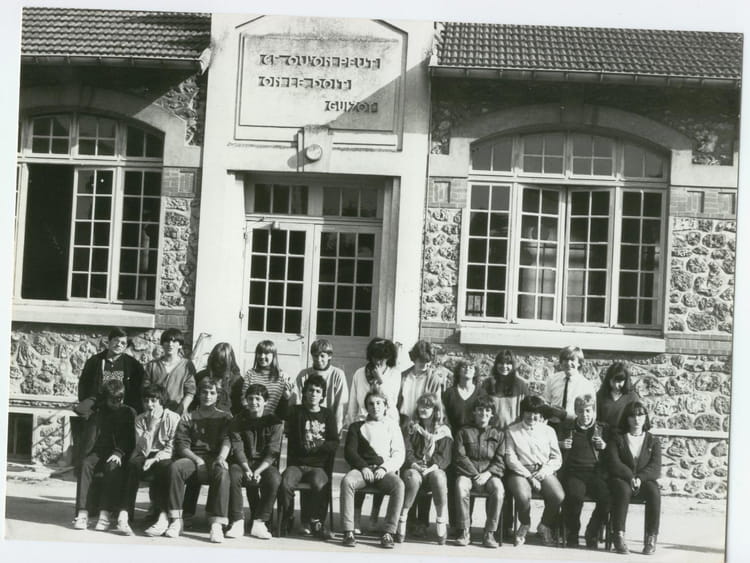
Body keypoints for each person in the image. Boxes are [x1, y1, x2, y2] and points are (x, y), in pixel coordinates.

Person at [153, 378, 231, 543]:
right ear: (198, 394)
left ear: (217, 396)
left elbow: (227, 439)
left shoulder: (225, 417)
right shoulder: (188, 417)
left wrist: (221, 457)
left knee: (222, 471)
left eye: (212, 393)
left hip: (215, 457)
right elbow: (182, 445)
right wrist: (197, 460)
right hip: (193, 458)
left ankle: (216, 524)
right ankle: (176, 519)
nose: (208, 396)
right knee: (176, 467)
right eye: (204, 392)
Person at [340, 390, 405, 549]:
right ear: (366, 407)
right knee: (347, 481)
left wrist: (384, 468)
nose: (375, 407)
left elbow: (399, 453)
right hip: (362, 471)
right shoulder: (357, 426)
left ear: (385, 406)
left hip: (383, 471)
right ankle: (348, 531)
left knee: (399, 485)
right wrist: (363, 467)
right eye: (371, 403)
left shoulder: (392, 426)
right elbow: (350, 452)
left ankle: (388, 532)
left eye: (378, 403)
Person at [280, 374, 339, 539]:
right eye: (310, 390)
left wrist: (318, 446)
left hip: (317, 466)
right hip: (296, 464)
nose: (314, 394)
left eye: (318, 391)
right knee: (285, 483)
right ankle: (287, 517)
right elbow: (282, 414)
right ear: (305, 392)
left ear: (322, 395)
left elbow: (334, 442)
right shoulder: (296, 411)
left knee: (320, 484)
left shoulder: (327, 415)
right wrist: (286, 398)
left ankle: (315, 521)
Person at [117, 383, 181, 536]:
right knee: (133, 464)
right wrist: (151, 427)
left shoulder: (173, 417)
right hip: (145, 454)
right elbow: (142, 448)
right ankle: (124, 514)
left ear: (161, 401)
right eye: (146, 401)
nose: (149, 405)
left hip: (164, 455)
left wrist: (155, 459)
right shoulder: (140, 419)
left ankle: (163, 517)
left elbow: (171, 447)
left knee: (166, 468)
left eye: (154, 400)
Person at [72, 379, 136, 531]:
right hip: (98, 451)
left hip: (117, 452)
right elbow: (79, 409)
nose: (117, 403)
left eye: (119, 399)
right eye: (113, 400)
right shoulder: (98, 410)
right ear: (105, 398)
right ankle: (83, 512)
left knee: (112, 466)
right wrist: (98, 397)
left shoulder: (128, 412)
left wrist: (118, 452)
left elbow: (129, 438)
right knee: (86, 464)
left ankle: (105, 513)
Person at [226, 383, 284, 540]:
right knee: (232, 475)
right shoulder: (238, 419)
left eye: (258, 399)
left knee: (275, 478)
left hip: (264, 465)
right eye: (250, 398)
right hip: (242, 463)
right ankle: (237, 521)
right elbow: (237, 448)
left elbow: (273, 451)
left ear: (265, 401)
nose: (254, 402)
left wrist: (258, 471)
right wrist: (246, 469)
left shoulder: (275, 421)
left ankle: (259, 522)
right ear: (246, 400)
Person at [505, 395, 564, 547]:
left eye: (536, 413)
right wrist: (530, 477)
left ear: (541, 414)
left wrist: (543, 472)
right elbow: (511, 459)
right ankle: (525, 524)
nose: (532, 416)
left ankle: (544, 526)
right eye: (529, 412)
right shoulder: (512, 431)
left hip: (543, 470)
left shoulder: (549, 431)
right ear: (523, 412)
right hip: (520, 471)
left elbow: (556, 458)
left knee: (558, 496)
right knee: (523, 496)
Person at [397, 392, 452, 545]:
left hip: (433, 468)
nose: (423, 409)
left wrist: (431, 468)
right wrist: (415, 465)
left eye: (428, 406)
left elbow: (444, 456)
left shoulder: (443, 430)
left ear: (436, 410)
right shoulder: (411, 428)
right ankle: (403, 518)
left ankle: (441, 520)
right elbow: (407, 451)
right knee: (412, 477)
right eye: (421, 405)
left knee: (439, 476)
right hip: (414, 467)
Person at [608, 401, 662, 555]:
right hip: (622, 479)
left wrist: (640, 478)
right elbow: (614, 462)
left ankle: (651, 538)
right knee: (623, 491)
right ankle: (618, 536)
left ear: (645, 417)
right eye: (632, 416)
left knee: (654, 492)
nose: (637, 419)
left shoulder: (653, 440)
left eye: (640, 415)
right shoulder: (618, 438)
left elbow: (655, 467)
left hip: (643, 481)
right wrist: (630, 476)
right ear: (627, 418)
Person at [558, 394, 610, 548]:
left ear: (593, 412)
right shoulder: (568, 428)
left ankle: (592, 531)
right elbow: (551, 446)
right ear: (576, 411)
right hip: (574, 473)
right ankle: (573, 533)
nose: (584, 415)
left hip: (595, 473)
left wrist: (604, 447)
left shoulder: (601, 429)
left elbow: (613, 452)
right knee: (574, 497)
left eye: (588, 411)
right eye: (580, 411)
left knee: (607, 498)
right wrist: (561, 445)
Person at [453, 395, 505, 549]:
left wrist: (487, 474)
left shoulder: (499, 434)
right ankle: (464, 530)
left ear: (492, 414)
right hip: (468, 473)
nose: (484, 413)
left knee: (499, 489)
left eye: (487, 410)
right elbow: (460, 457)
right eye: (480, 410)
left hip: (490, 474)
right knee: (461, 486)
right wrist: (475, 474)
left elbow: (500, 460)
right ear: (474, 412)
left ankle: (490, 532)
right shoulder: (463, 432)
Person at [441, 359, 484, 537]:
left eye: (471, 367)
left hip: (472, 441)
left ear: (475, 372)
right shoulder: (449, 393)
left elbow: (485, 415)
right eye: (464, 367)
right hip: (453, 441)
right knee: (454, 483)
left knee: (469, 480)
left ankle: (467, 522)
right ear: (458, 371)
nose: (468, 369)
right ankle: (455, 524)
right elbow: (443, 417)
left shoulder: (480, 392)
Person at [77, 327, 144, 415]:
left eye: (123, 343)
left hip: (122, 409)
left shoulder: (133, 365)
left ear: (126, 346)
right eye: (116, 340)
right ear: (109, 341)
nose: (118, 345)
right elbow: (83, 386)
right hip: (98, 409)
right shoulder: (94, 362)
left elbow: (138, 391)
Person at [292, 338, 349, 434]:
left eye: (322, 356)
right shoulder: (304, 374)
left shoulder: (338, 374)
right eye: (315, 356)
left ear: (329, 356)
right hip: (307, 423)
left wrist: (337, 427)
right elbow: (296, 400)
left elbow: (341, 403)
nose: (319, 359)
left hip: (328, 423)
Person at [346, 338, 401, 426]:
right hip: (363, 423)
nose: (377, 361)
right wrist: (351, 425)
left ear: (388, 357)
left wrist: (380, 381)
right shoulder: (359, 373)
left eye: (381, 358)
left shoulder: (395, 374)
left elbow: (391, 403)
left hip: (387, 423)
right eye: (375, 357)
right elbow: (353, 405)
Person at [143, 328, 196, 415]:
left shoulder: (187, 365)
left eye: (174, 341)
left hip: (177, 411)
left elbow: (190, 392)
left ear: (180, 345)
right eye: (167, 341)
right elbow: (146, 390)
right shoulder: (152, 365)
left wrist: (178, 412)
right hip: (155, 412)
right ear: (162, 344)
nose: (170, 344)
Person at [397, 340, 450, 419]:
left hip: (421, 421)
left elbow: (438, 403)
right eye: (421, 360)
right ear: (414, 358)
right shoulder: (403, 376)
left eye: (427, 361)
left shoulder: (433, 379)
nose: (424, 364)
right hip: (403, 419)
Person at [542, 345, 595, 424]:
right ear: (561, 362)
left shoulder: (587, 385)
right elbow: (546, 402)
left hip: (575, 425)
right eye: (565, 360)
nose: (568, 363)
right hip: (553, 424)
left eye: (572, 360)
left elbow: (591, 413)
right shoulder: (552, 379)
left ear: (579, 363)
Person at [241, 340, 293, 417]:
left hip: (272, 419)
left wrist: (287, 395)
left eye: (266, 353)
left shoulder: (282, 376)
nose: (262, 356)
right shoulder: (250, 374)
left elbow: (287, 402)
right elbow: (244, 399)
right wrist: (254, 413)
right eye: (259, 353)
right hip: (252, 416)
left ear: (273, 356)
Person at [483, 349, 528, 430]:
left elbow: (526, 410)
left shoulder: (521, 385)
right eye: (501, 363)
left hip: (513, 431)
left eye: (508, 363)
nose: (504, 366)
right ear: (496, 364)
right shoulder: (487, 384)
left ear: (513, 365)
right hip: (491, 431)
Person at [193, 342, 243, 414]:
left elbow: (239, 408)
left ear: (230, 361)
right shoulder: (200, 376)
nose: (218, 365)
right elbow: (193, 402)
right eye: (216, 360)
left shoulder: (237, 381)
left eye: (222, 362)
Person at [597, 362, 641, 428]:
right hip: (605, 433)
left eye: (619, 382)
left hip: (625, 433)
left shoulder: (633, 397)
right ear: (608, 380)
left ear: (625, 381)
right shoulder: (601, 395)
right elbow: (597, 418)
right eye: (613, 381)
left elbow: (637, 419)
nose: (616, 385)